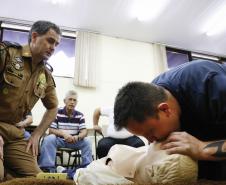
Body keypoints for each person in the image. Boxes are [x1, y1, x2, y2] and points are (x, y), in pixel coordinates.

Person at [113, 59, 226, 180]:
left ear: (165, 110)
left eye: (150, 132)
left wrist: (202, 149)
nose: (151, 141)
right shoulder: (150, 96)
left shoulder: (211, 84)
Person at [0, 20, 61, 180]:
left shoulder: (45, 76)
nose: (53, 47)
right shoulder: (7, 54)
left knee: (36, 179)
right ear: (34, 37)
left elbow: (53, 107)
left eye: (56, 44)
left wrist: (37, 135)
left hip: (15, 133)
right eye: (50, 40)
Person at [73, 143, 198, 184]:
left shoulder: (109, 177)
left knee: (76, 172)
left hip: (89, 168)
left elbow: (85, 175)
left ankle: (63, 172)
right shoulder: (148, 157)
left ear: (151, 171)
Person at [38, 90, 93, 172]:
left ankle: (86, 169)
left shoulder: (80, 115)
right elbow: (51, 130)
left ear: (76, 102)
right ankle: (48, 168)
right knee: (49, 139)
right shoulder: (57, 112)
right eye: (70, 99)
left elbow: (84, 131)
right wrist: (63, 134)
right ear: (64, 101)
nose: (72, 102)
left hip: (74, 141)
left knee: (87, 141)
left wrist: (77, 137)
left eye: (74, 100)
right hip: (60, 141)